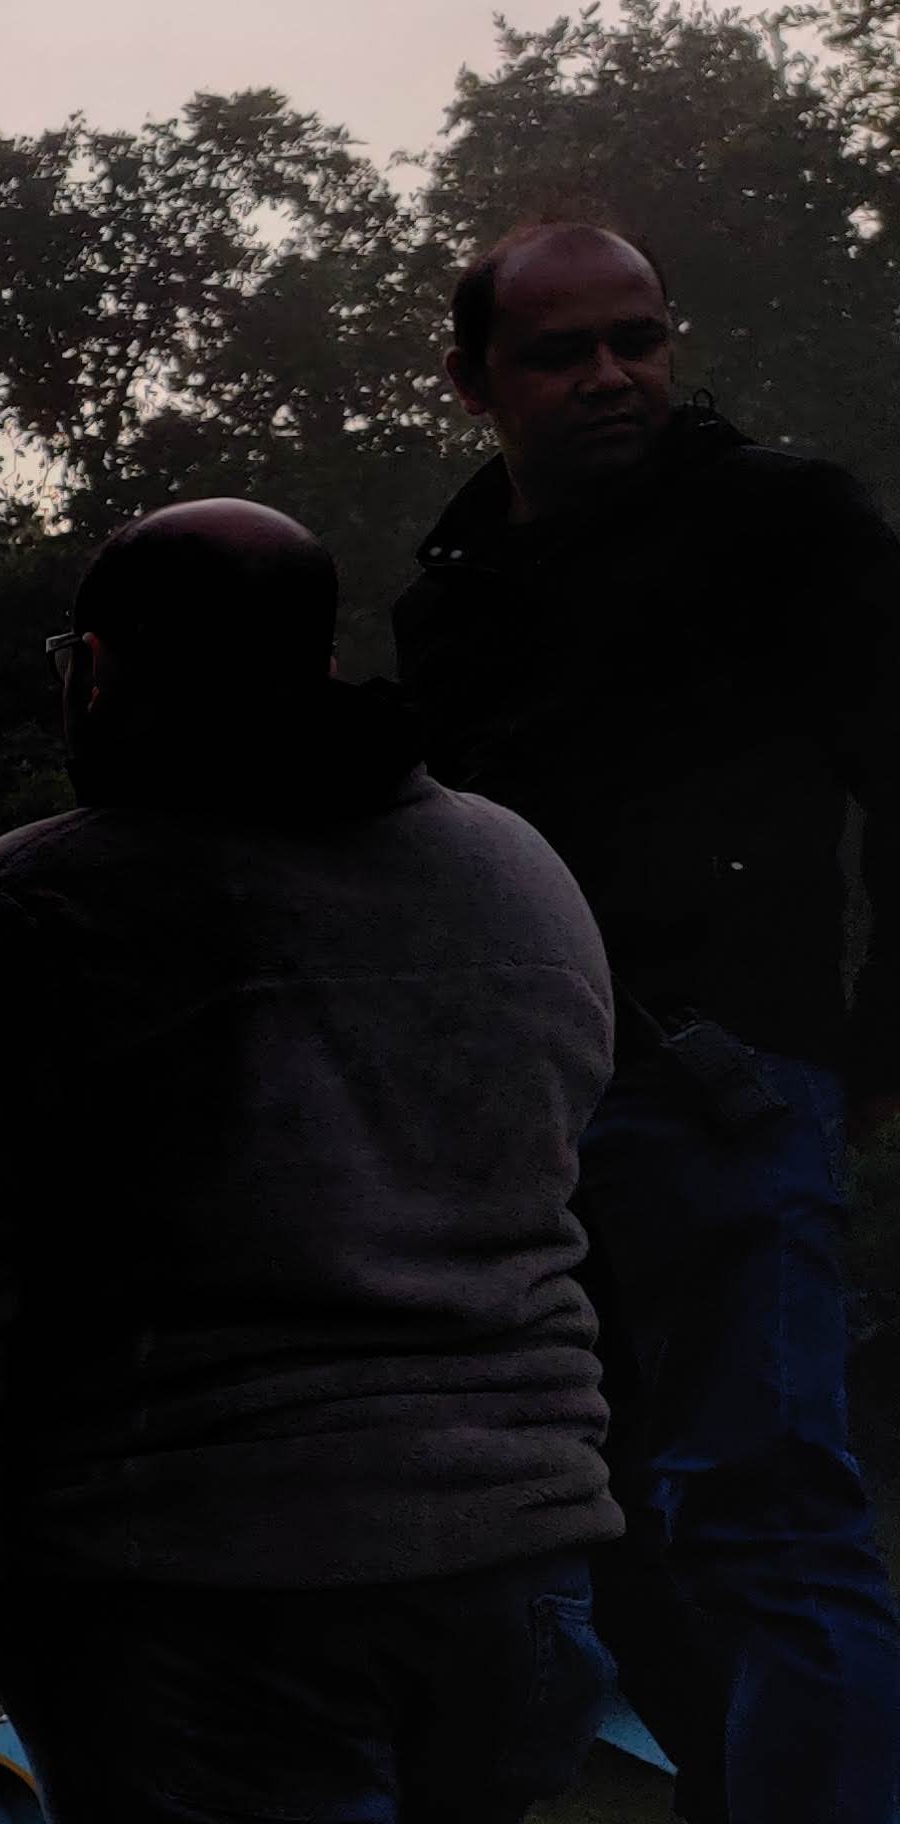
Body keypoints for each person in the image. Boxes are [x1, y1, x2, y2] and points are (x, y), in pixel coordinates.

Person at [0, 499, 623, 1823]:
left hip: (206, 1595)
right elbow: (568, 1182)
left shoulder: (40, 908)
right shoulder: (519, 869)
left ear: (95, 670)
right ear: (317, 662)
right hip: (524, 1576)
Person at [391, 218, 900, 1824]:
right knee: (582, 1528)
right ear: (476, 381)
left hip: (731, 1083)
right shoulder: (453, 600)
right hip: (522, 1130)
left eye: (640, 337)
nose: (616, 375)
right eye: (563, 350)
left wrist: (870, 1052)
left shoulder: (785, 525)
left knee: (768, 1512)